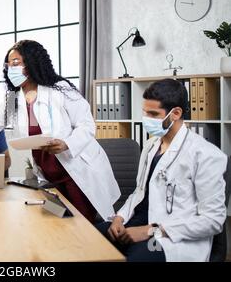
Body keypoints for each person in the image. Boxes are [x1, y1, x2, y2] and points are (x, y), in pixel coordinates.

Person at [0, 40, 120, 223]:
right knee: (61, 225)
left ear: (32, 63)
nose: (11, 69)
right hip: (50, 175)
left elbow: (87, 125)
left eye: (16, 63)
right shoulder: (14, 100)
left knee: (83, 227)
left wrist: (66, 144)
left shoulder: (61, 90)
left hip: (78, 170)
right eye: (9, 64)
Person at [95, 79, 227, 262]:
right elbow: (139, 192)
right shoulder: (150, 145)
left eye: (153, 114)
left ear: (176, 113)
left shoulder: (205, 155)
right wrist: (119, 217)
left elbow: (213, 220)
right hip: (135, 225)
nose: (147, 119)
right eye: (145, 113)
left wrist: (152, 230)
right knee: (88, 239)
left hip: (170, 238)